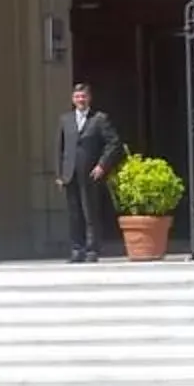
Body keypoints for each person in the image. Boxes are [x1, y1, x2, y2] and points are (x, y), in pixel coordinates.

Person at [54, 80, 126, 264]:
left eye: (84, 96)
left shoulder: (99, 119)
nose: (80, 100)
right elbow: (60, 148)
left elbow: (114, 143)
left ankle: (92, 249)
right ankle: (77, 249)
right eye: (77, 97)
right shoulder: (65, 120)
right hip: (70, 173)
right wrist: (60, 174)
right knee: (74, 213)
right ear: (73, 99)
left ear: (89, 98)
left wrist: (102, 165)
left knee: (90, 212)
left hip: (90, 173)